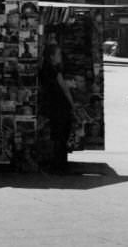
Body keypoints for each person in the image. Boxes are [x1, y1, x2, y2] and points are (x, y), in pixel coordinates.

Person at [39, 43, 75, 172]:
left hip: (52, 106)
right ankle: (60, 164)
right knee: (62, 136)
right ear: (52, 56)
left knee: (57, 136)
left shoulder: (44, 69)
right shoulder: (55, 70)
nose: (61, 56)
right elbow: (65, 89)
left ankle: (57, 163)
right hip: (61, 106)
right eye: (58, 54)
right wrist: (73, 104)